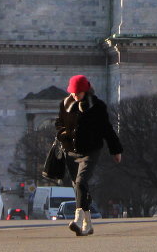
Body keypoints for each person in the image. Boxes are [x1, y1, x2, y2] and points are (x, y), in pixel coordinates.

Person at [56, 74, 123, 236]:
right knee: (79, 187)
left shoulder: (97, 106)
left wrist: (116, 150)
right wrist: (62, 133)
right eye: (72, 92)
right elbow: (59, 123)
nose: (74, 95)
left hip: (90, 151)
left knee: (81, 182)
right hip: (70, 151)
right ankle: (88, 224)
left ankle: (78, 219)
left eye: (77, 92)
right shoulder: (66, 104)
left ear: (85, 91)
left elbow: (107, 129)